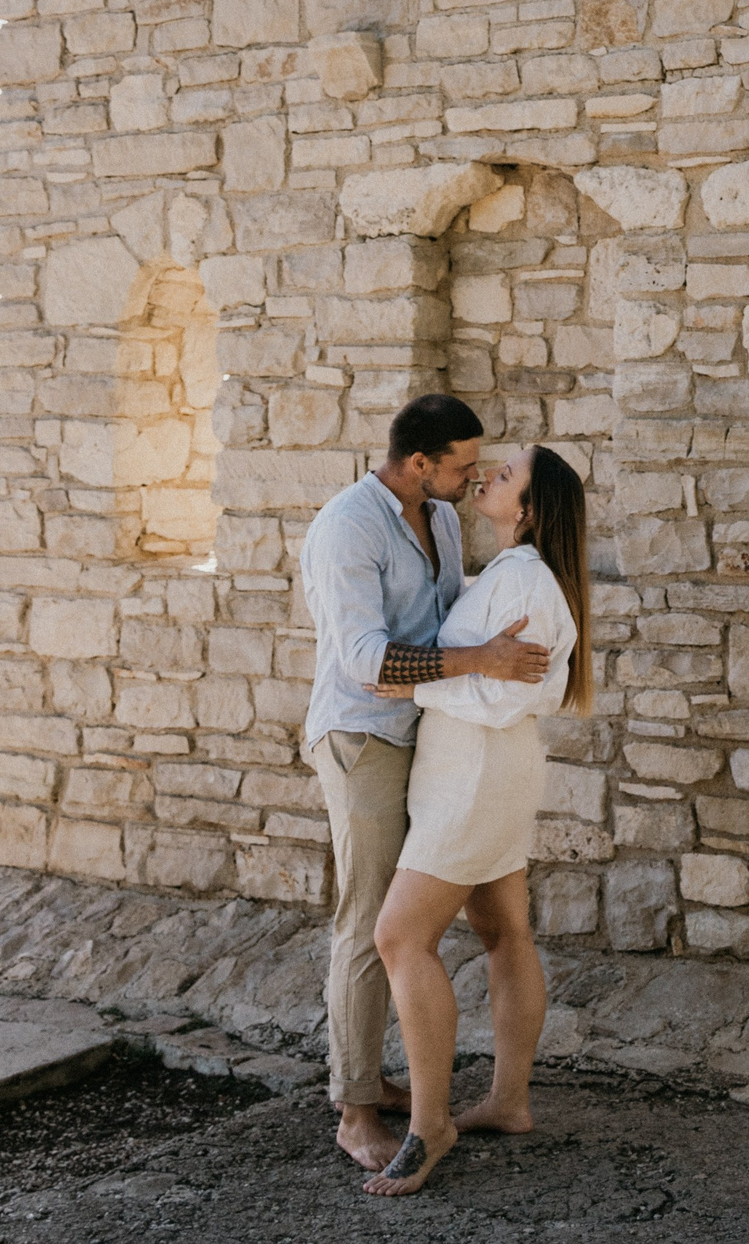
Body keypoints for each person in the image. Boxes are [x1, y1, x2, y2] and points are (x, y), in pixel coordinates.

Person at [298, 394, 552, 1174]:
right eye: (463, 465)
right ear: (418, 463)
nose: (474, 477)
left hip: (426, 742)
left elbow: (452, 622)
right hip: (365, 738)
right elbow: (368, 665)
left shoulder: (440, 518)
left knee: (410, 920)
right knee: (370, 919)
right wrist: (483, 664)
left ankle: (389, 1075)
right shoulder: (348, 526)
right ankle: (355, 1109)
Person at [362, 444, 593, 1198]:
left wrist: (420, 687)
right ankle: (510, 1099)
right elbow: (492, 672)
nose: (491, 473)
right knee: (503, 932)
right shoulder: (509, 572)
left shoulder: (526, 578)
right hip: (483, 771)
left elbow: (503, 692)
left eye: (509, 474)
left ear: (528, 508)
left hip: (475, 777)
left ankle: (429, 1126)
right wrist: (464, 665)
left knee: (399, 935)